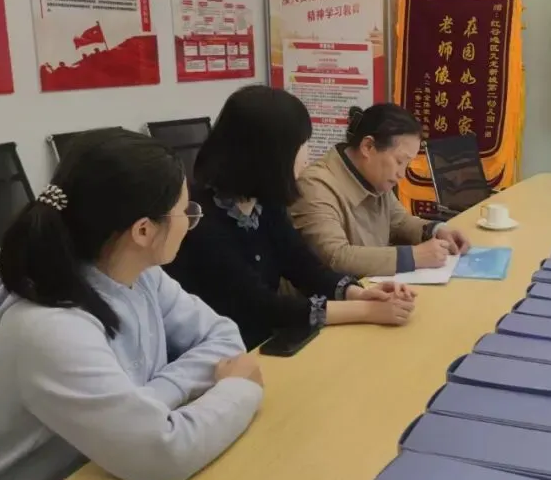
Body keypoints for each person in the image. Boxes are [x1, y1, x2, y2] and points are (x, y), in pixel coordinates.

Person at [0, 129, 264, 480]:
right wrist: (237, 388)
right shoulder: (49, 328)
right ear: (143, 230)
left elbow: (224, 338)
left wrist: (145, 403)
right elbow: (163, 453)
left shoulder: (142, 276)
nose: (190, 222)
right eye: (185, 212)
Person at [166, 86, 415, 350]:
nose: (307, 157)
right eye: (301, 145)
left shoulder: (264, 201)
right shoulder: (201, 221)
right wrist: (366, 311)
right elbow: (263, 306)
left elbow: (303, 266)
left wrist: (359, 294)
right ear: (268, 154)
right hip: (221, 354)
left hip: (263, 345)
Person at [292, 104, 471, 278]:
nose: (402, 174)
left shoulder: (373, 175)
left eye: (407, 164)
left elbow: (399, 221)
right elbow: (336, 256)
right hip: (337, 295)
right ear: (368, 147)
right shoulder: (315, 185)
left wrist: (436, 230)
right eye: (399, 161)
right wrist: (413, 257)